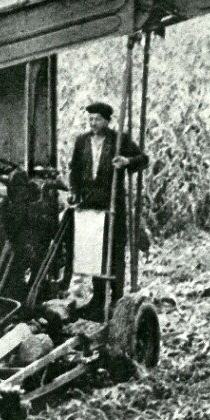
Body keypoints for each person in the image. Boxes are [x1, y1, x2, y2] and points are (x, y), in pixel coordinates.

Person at [68, 101, 148, 316]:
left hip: (112, 202)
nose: (93, 123)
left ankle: (117, 298)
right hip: (89, 203)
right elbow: (74, 169)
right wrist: (74, 190)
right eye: (90, 119)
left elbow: (143, 160)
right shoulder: (82, 141)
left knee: (114, 251)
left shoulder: (118, 140)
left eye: (97, 119)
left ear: (106, 120)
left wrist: (126, 161)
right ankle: (98, 298)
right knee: (95, 252)